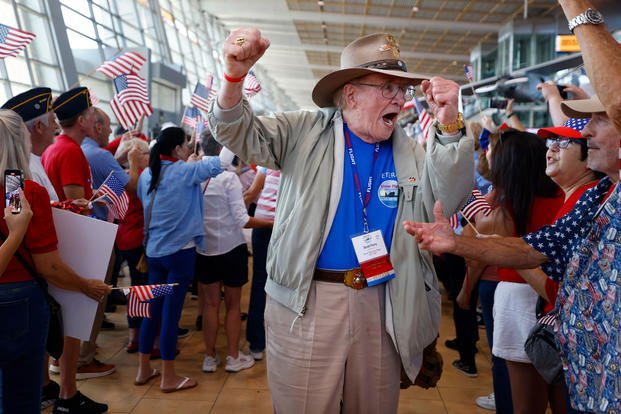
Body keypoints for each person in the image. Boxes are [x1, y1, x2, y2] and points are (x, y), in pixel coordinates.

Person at [208, 28, 473, 412]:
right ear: (350, 92)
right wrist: (234, 77)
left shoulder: (411, 153)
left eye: (403, 90)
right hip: (309, 302)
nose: (400, 99)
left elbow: (448, 199)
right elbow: (237, 130)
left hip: (384, 302)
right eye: (387, 87)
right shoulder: (302, 132)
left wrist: (449, 124)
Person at [403, 94, 619, 413]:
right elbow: (533, 248)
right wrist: (456, 242)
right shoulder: (594, 195)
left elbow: (543, 271)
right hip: (584, 348)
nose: (552, 149)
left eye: (564, 143)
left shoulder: (586, 195)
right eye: (550, 143)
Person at [0, 109, 110, 414]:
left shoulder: (16, 190)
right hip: (19, 302)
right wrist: (84, 285)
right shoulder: (19, 190)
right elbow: (46, 264)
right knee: (20, 395)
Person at [134, 126, 232, 393]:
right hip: (180, 254)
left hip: (154, 253)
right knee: (170, 315)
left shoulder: (147, 174)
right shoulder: (186, 172)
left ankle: (143, 369)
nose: (190, 148)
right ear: (176, 149)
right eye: (187, 145)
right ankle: (168, 377)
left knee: (151, 312)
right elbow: (224, 162)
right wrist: (236, 131)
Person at [196, 135, 273, 373]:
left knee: (209, 305)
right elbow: (242, 219)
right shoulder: (228, 178)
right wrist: (271, 223)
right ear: (223, 150)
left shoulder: (194, 174)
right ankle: (232, 357)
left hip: (204, 248)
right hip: (231, 249)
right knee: (232, 306)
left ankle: (209, 358)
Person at [245, 165, 280, 360]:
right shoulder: (296, 158)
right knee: (284, 281)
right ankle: (281, 339)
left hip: (262, 223)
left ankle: (257, 343)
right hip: (283, 225)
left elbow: (252, 192)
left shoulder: (266, 162)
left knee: (260, 281)